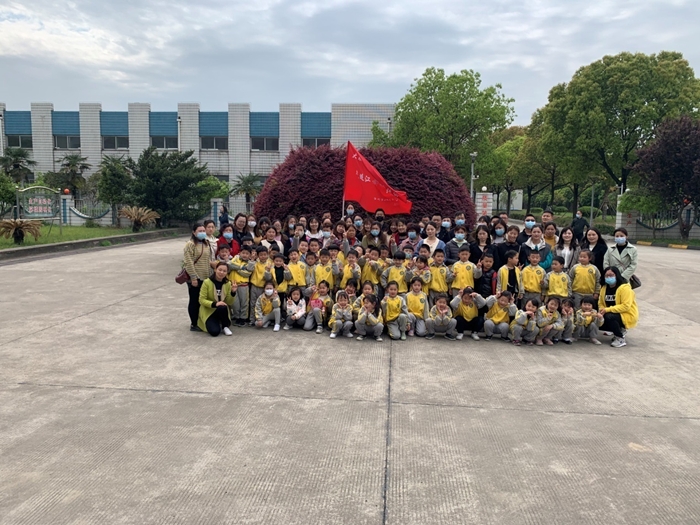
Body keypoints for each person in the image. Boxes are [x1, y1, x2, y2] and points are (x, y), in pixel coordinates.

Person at [598, 266, 639, 348]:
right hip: (612, 312)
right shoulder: (604, 288)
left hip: (626, 314)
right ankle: (619, 330)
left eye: (611, 275)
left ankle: (620, 338)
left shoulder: (625, 288)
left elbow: (625, 306)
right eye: (607, 276)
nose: (609, 277)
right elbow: (601, 302)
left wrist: (607, 310)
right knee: (599, 319)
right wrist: (601, 310)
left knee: (608, 316)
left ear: (617, 275)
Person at [184, 223, 212, 331]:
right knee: (194, 301)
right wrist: (193, 277)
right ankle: (194, 323)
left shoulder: (206, 243)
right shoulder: (190, 244)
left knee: (202, 300)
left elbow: (207, 260)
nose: (202, 233)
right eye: (200, 231)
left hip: (205, 277)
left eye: (203, 231)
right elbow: (189, 262)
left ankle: (201, 321)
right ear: (194, 232)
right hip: (195, 278)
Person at [197, 262, 237, 336]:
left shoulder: (227, 283)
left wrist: (233, 292)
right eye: (220, 270)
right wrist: (215, 304)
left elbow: (229, 302)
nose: (221, 272)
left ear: (227, 273)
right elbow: (201, 300)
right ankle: (216, 322)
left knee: (223, 306)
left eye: (224, 271)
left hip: (221, 310)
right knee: (214, 332)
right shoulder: (207, 282)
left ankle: (225, 326)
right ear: (215, 269)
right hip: (209, 310)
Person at [229, 246, 255, 326]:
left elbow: (247, 273)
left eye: (247, 253)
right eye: (243, 253)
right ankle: (237, 317)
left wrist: (236, 268)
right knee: (235, 303)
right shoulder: (236, 258)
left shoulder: (250, 263)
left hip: (243, 285)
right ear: (239, 253)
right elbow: (230, 264)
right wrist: (242, 267)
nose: (245, 255)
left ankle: (243, 318)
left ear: (250, 255)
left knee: (244, 302)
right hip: (233, 284)